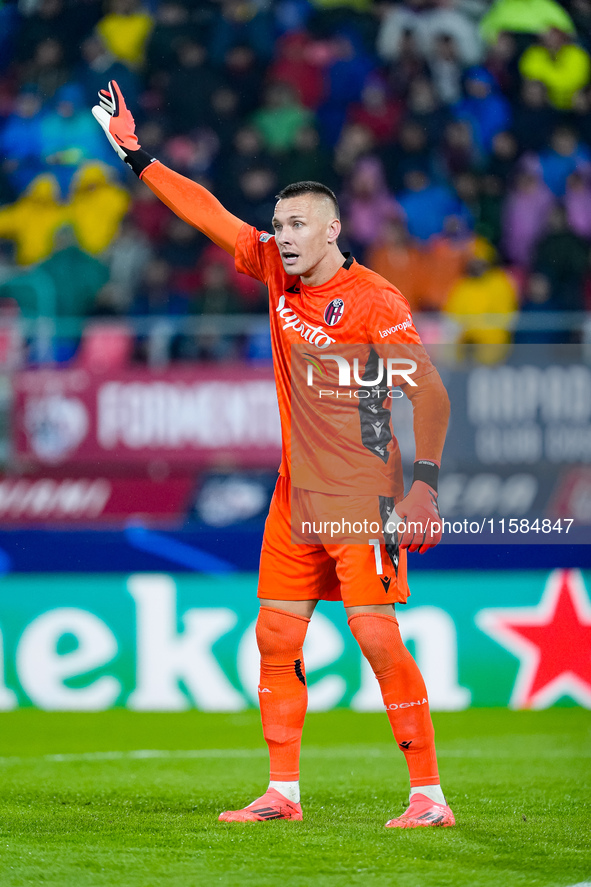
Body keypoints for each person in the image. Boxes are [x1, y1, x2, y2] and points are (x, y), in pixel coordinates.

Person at [92, 81, 454, 829]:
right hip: (297, 494)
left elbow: (430, 397)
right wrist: (139, 157)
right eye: (279, 223)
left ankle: (428, 795)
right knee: (275, 634)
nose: (282, 234)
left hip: (364, 493)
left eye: (297, 224)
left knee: (375, 631)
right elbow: (209, 213)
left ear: (331, 230)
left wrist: (423, 486)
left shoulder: (376, 302)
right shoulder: (273, 269)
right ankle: (281, 791)